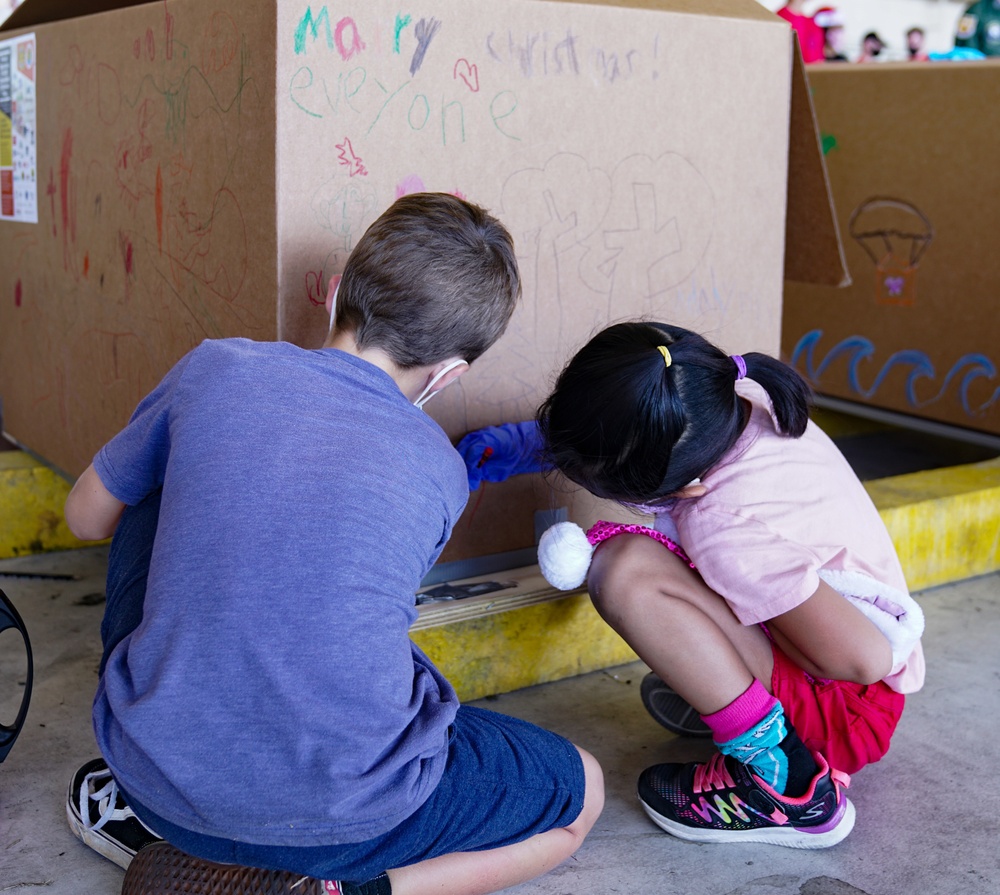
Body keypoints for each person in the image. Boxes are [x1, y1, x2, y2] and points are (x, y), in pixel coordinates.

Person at [62, 192, 604, 895]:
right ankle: (344, 890)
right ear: (449, 373)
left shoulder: (213, 369)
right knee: (581, 795)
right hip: (356, 818)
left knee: (152, 474)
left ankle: (194, 806)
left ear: (340, 290)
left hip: (156, 779)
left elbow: (86, 516)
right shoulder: (438, 464)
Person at [460, 322, 924, 848]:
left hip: (849, 707)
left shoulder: (720, 523)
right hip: (852, 680)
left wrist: (730, 646)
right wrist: (539, 445)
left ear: (686, 487)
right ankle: (737, 694)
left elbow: (863, 658)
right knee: (657, 575)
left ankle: (784, 782)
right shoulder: (732, 397)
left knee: (625, 571)